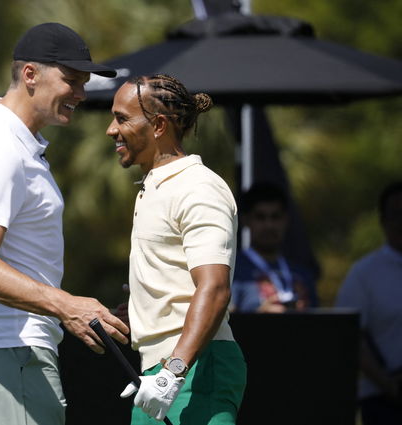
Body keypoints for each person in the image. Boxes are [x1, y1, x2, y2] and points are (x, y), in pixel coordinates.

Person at [0, 22, 129, 425]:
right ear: (30, 74)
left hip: (8, 350)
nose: (81, 94)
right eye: (71, 81)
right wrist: (66, 306)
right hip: (8, 349)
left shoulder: (10, 142)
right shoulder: (1, 149)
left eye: (84, 83)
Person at [106, 74, 246, 424]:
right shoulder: (154, 187)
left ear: (159, 125)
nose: (111, 129)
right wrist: (141, 310)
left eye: (122, 118)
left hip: (192, 370)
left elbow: (214, 288)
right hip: (163, 372)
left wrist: (174, 371)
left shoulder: (198, 187)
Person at [336, 181, 402, 425]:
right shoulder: (364, 273)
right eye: (396, 215)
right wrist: (387, 383)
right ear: (383, 220)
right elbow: (351, 335)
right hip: (383, 400)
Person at [230, 182, 318, 313]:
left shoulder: (302, 274)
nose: (269, 225)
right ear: (246, 220)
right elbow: (224, 323)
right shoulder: (232, 272)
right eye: (260, 217)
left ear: (286, 220)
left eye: (275, 217)